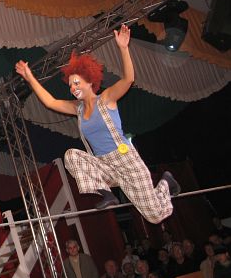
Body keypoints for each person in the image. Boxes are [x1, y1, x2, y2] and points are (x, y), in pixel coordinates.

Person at [15, 25, 180, 224]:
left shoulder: (107, 98)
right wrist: (30, 77)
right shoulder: (77, 108)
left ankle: (166, 182)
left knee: (155, 217)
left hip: (126, 160)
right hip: (103, 165)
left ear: (89, 82)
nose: (73, 88)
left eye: (77, 83)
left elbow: (128, 79)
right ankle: (106, 193)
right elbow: (50, 102)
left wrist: (123, 48)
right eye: (70, 85)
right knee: (71, 155)